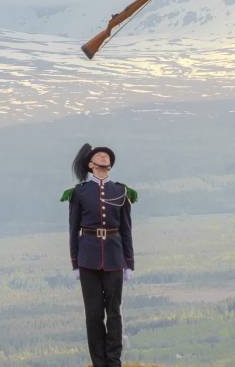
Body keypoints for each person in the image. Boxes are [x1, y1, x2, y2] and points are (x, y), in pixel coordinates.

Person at [60, 143, 138, 367]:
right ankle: (98, 362)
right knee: (93, 314)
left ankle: (113, 361)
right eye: (99, 155)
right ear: (91, 164)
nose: (104, 156)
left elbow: (126, 229)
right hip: (88, 260)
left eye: (107, 155)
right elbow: (73, 229)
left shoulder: (121, 191)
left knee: (114, 313)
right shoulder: (79, 193)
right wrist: (75, 262)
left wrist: (129, 263)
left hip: (114, 258)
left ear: (110, 164)